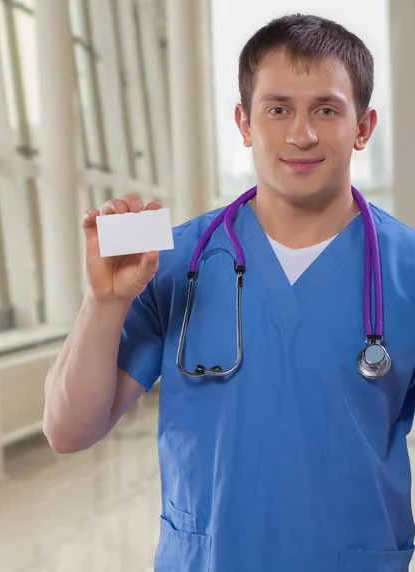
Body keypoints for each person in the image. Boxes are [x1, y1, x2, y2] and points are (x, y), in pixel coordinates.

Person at [43, 13, 415, 572]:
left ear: (363, 127)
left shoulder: (406, 269)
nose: (301, 134)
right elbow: (68, 430)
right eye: (278, 109)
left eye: (327, 109)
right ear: (244, 123)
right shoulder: (169, 260)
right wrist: (105, 302)